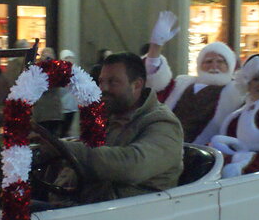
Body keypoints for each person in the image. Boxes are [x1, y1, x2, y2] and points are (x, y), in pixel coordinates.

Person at [59, 52, 184, 204]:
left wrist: (65, 148)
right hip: (91, 206)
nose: (103, 88)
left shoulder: (162, 123)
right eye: (101, 81)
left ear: (136, 85)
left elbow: (132, 166)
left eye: (113, 82)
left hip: (133, 214)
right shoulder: (111, 116)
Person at [144, 11, 246, 144]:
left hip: (202, 152)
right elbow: (155, 80)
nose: (214, 66)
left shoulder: (238, 91)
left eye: (220, 61)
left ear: (230, 66)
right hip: (163, 144)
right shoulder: (182, 84)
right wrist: (155, 48)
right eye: (208, 62)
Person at [59, 49, 79, 136]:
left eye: (71, 58)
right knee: (61, 130)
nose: (69, 60)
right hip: (61, 105)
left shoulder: (76, 71)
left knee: (67, 128)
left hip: (72, 105)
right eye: (67, 58)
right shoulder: (59, 71)